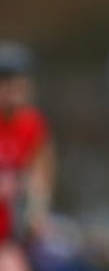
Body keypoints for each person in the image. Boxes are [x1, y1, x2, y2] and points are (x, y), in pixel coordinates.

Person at [0, 41, 56, 271]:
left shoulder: (32, 124)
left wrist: (36, 211)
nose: (18, 93)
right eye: (11, 86)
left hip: (13, 233)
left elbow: (42, 173)